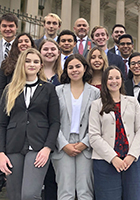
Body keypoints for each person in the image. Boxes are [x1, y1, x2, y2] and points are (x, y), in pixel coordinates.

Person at [0, 48, 60, 200]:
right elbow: (2, 124)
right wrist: (1, 153)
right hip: (13, 147)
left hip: (38, 147)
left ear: (41, 65)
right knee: (14, 195)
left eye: (35, 61)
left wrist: (47, 148)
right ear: (22, 64)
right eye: (28, 61)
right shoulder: (10, 89)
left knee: (29, 195)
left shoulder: (48, 89)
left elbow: (55, 122)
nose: (31, 64)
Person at [89, 66, 140, 200]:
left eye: (117, 78)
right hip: (105, 162)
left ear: (122, 80)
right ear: (104, 81)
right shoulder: (97, 105)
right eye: (110, 78)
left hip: (131, 161)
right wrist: (113, 158)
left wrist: (131, 156)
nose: (114, 81)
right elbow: (94, 136)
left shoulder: (132, 102)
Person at [52, 54, 100, 200]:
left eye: (78, 66)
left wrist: (85, 143)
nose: (74, 70)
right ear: (66, 71)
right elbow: (53, 120)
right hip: (63, 143)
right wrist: (63, 144)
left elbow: (97, 122)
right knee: (65, 191)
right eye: (70, 67)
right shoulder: (57, 91)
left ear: (85, 68)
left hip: (86, 144)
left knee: (85, 191)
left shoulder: (95, 92)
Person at [39, 38, 62, 200]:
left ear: (58, 53)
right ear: (40, 52)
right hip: (37, 131)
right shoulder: (33, 75)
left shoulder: (64, 77)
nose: (49, 52)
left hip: (58, 132)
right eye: (45, 49)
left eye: (53, 49)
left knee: (53, 180)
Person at [0, 33, 35, 97]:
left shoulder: (37, 63)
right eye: (20, 42)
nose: (23, 43)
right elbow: (1, 88)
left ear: (31, 45)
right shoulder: (6, 64)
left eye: (26, 41)